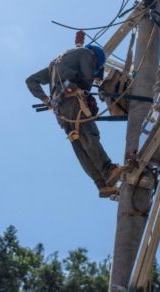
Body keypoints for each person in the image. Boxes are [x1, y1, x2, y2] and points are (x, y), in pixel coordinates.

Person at [26, 44, 126, 198]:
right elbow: (87, 76)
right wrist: (87, 93)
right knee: (89, 134)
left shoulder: (54, 65)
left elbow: (31, 80)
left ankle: (102, 184)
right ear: (95, 56)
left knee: (78, 142)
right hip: (73, 101)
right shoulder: (85, 52)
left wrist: (46, 100)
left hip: (60, 111)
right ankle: (108, 170)